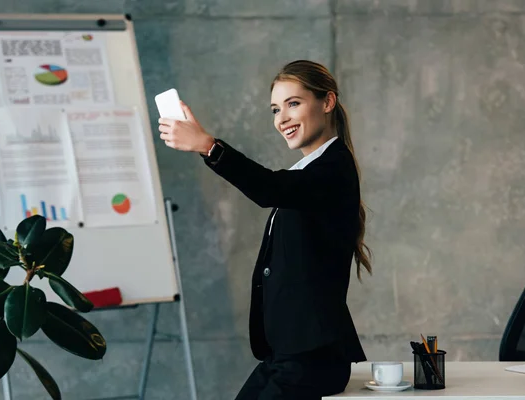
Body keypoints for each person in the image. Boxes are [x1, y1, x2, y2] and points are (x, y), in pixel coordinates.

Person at [158, 60, 372, 399]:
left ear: (327, 102)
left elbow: (269, 188)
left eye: (293, 104)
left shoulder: (333, 168)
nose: (282, 118)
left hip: (312, 360)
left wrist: (208, 146)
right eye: (276, 109)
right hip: (287, 357)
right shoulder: (310, 170)